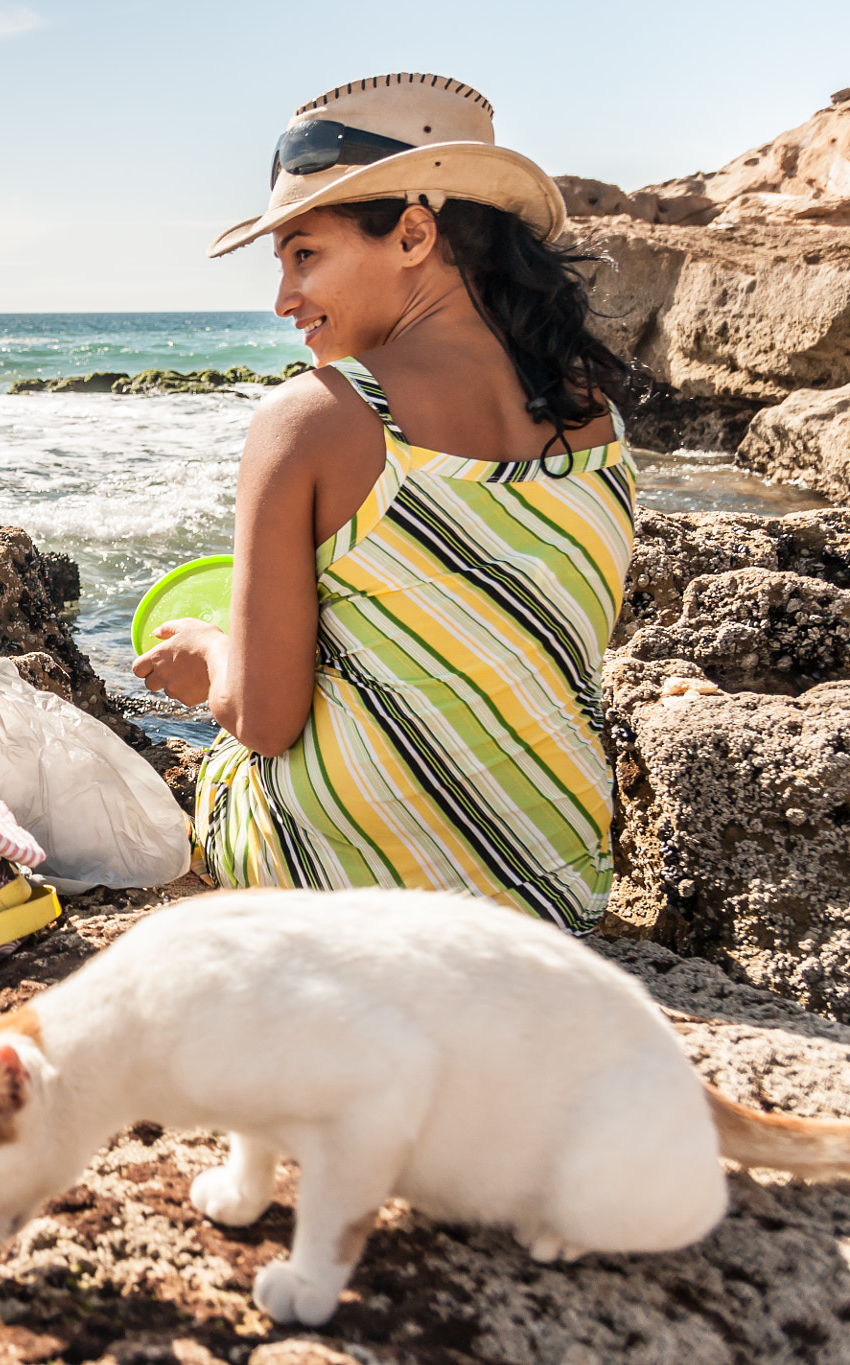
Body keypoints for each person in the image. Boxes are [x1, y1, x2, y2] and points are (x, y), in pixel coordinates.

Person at [135, 74, 636, 933]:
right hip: (550, 884)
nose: (284, 299)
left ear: (413, 234)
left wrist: (212, 654)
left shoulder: (315, 415)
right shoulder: (600, 420)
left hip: (353, 891)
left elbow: (264, 718)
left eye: (304, 255)